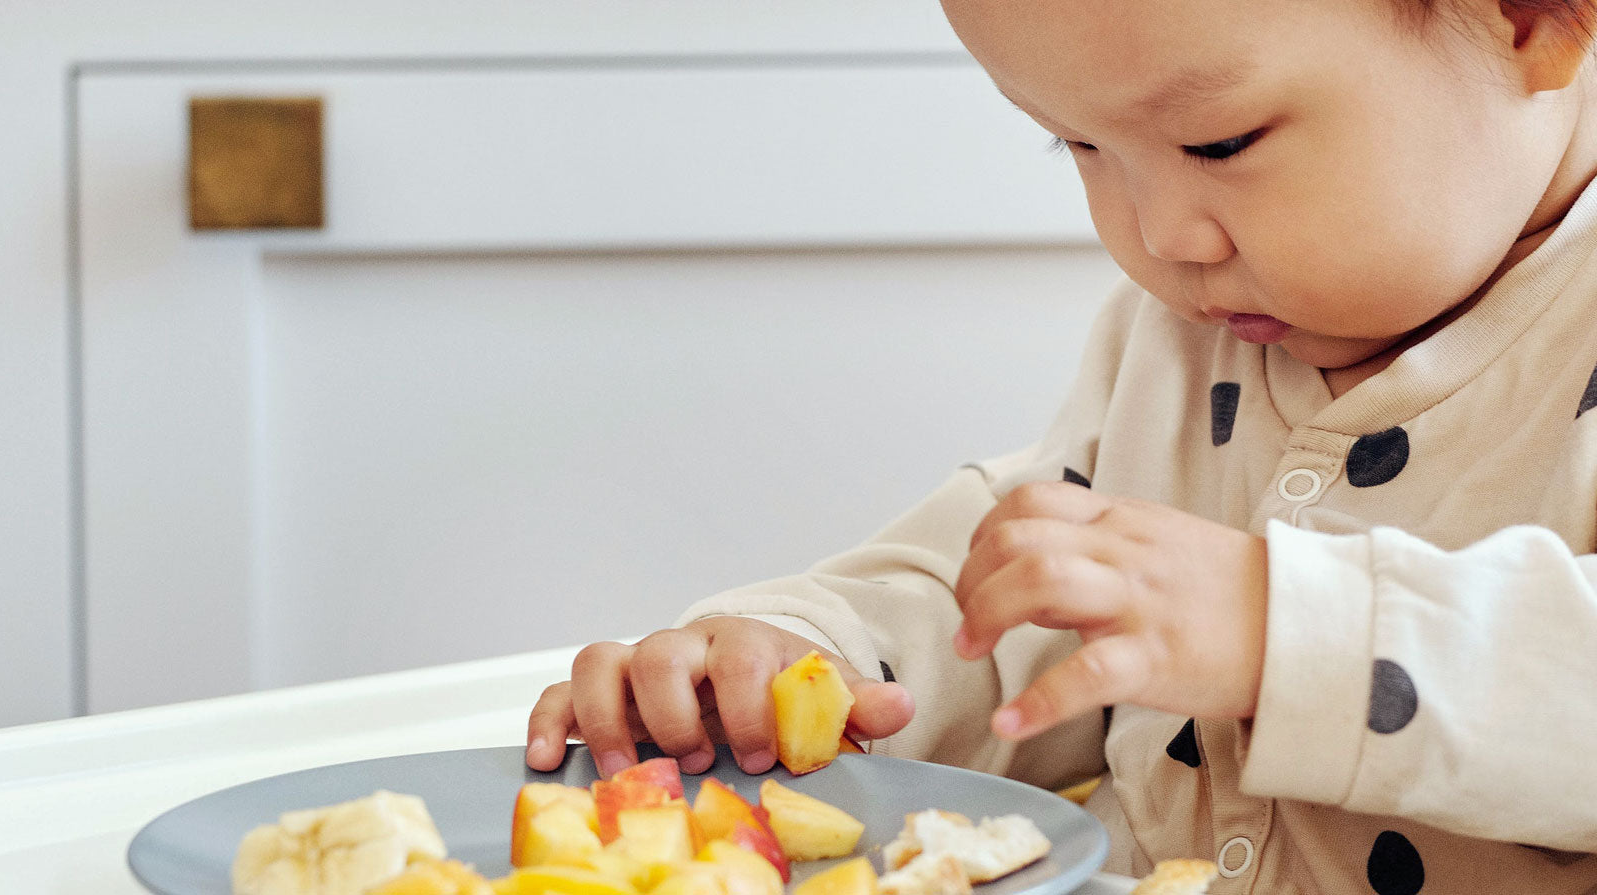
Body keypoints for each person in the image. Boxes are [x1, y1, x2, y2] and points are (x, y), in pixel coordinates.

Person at [527, 0, 1597, 890]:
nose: (1158, 236)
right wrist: (802, 658)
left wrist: (1289, 631)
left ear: (1529, 21)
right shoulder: (1192, 330)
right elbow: (1024, 580)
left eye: (1220, 142)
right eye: (1077, 142)